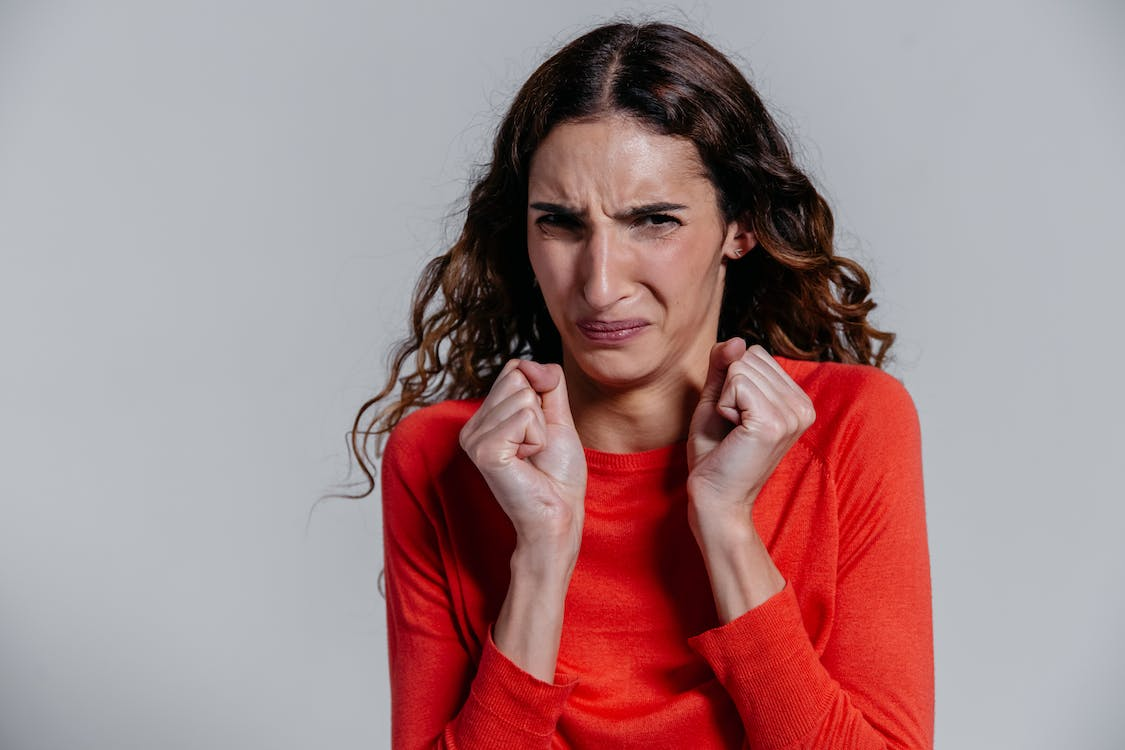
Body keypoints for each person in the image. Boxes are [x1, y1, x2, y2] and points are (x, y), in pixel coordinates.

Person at [348, 21, 934, 750]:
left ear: (738, 228)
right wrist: (540, 556)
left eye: (652, 221)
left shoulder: (849, 422)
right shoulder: (445, 457)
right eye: (560, 223)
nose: (599, 283)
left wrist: (724, 524)